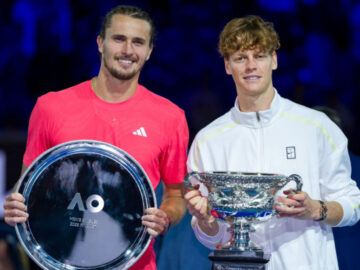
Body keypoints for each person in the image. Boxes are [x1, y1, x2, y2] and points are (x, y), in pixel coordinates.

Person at [3, 5, 189, 270]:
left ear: (149, 52)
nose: (127, 50)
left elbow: (175, 195)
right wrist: (15, 204)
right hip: (62, 262)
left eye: (138, 42)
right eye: (118, 39)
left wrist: (166, 217)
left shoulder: (171, 117)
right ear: (100, 43)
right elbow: (27, 185)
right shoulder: (50, 107)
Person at [185, 15, 360, 270]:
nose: (251, 66)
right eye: (240, 58)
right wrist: (205, 221)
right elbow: (213, 238)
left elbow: (353, 204)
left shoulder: (317, 127)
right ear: (227, 65)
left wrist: (313, 208)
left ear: (274, 60)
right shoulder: (208, 140)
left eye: (260, 56)